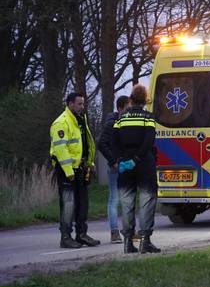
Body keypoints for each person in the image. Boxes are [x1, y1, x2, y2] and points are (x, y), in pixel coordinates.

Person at [112, 84, 160, 254]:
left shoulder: (121, 118)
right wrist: (138, 158)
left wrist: (120, 159)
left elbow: (114, 141)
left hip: (125, 164)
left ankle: (127, 242)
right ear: (145, 100)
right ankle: (145, 241)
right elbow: (149, 140)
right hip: (144, 163)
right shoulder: (148, 117)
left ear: (131, 100)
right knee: (147, 201)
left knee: (127, 203)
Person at [49, 92, 99, 248]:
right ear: (70, 104)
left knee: (82, 204)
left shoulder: (80, 120)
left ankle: (81, 234)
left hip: (81, 168)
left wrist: (90, 162)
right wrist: (69, 171)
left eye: (83, 104)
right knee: (68, 204)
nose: (82, 106)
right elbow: (60, 149)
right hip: (67, 170)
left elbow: (86, 144)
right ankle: (65, 237)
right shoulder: (61, 123)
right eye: (79, 104)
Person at [97, 95, 130, 244]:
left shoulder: (127, 122)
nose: (130, 112)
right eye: (127, 109)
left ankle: (129, 231)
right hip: (116, 167)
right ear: (120, 108)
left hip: (127, 166)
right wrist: (113, 160)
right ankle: (114, 232)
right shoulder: (111, 124)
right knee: (114, 199)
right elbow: (101, 144)